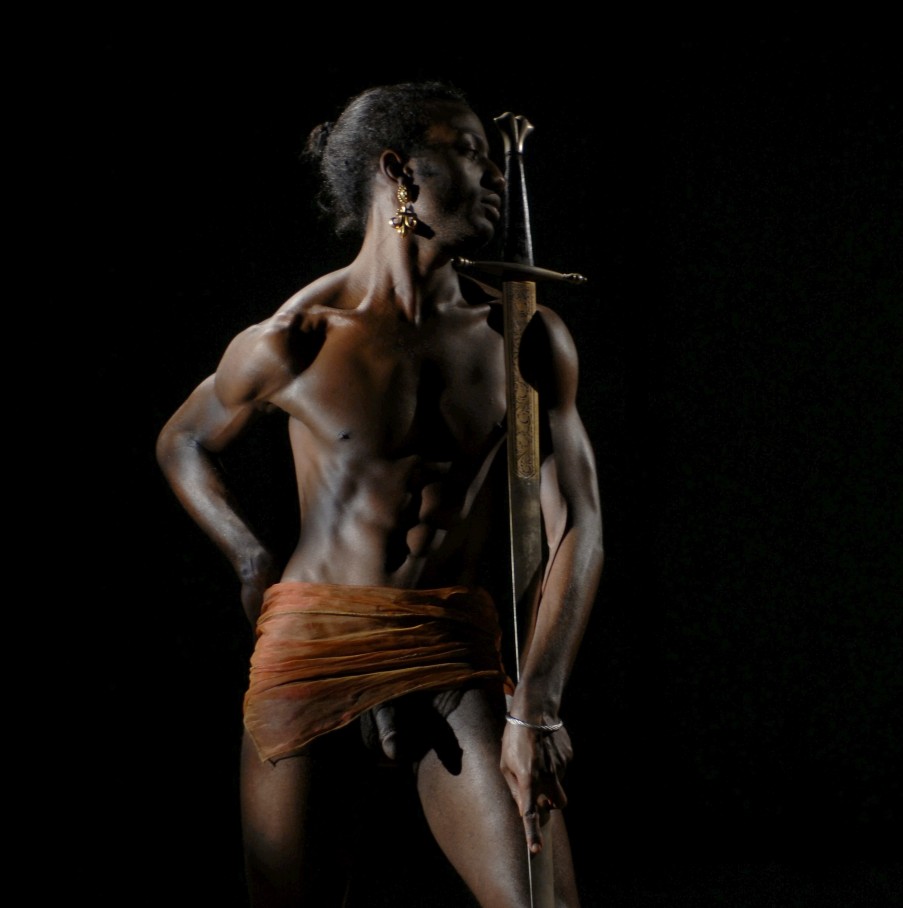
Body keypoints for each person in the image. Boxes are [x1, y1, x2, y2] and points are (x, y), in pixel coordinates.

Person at [156, 80, 603, 907]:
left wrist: (536, 707)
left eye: (493, 155)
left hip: (448, 645)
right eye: (467, 152)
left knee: (543, 902)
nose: (495, 175)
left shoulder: (520, 336)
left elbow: (578, 521)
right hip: (314, 645)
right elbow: (181, 440)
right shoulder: (296, 337)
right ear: (398, 171)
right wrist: (248, 556)